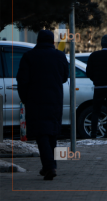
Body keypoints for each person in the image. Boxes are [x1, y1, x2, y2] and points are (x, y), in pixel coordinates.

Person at [16, 30, 69, 180]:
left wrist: (25, 98)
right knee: (52, 133)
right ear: (52, 41)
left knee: (41, 134)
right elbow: (65, 77)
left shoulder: (29, 56)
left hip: (35, 100)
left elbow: (22, 80)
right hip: (55, 99)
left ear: (38, 41)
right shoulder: (59, 56)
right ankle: (51, 166)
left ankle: (49, 167)